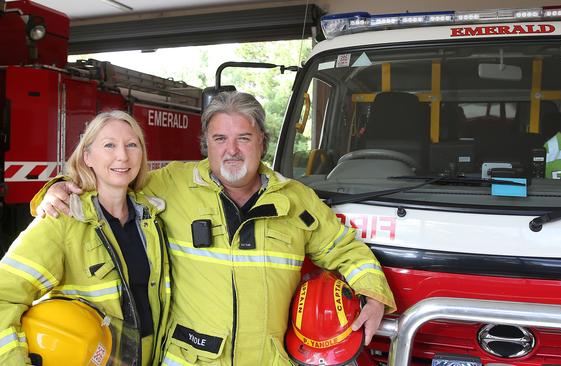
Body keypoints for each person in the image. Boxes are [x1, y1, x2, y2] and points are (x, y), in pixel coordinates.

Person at [34, 92, 396, 365]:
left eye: (244, 138)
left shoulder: (297, 199)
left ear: (263, 144)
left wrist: (374, 293)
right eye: (220, 139)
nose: (231, 150)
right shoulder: (170, 184)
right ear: (207, 144)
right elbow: (110, 177)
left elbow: (345, 249)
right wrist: (58, 187)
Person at [0, 111, 170, 365]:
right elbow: (4, 295)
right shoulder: (62, 219)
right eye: (109, 145)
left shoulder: (152, 218)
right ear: (87, 156)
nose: (122, 155)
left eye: (132, 145)